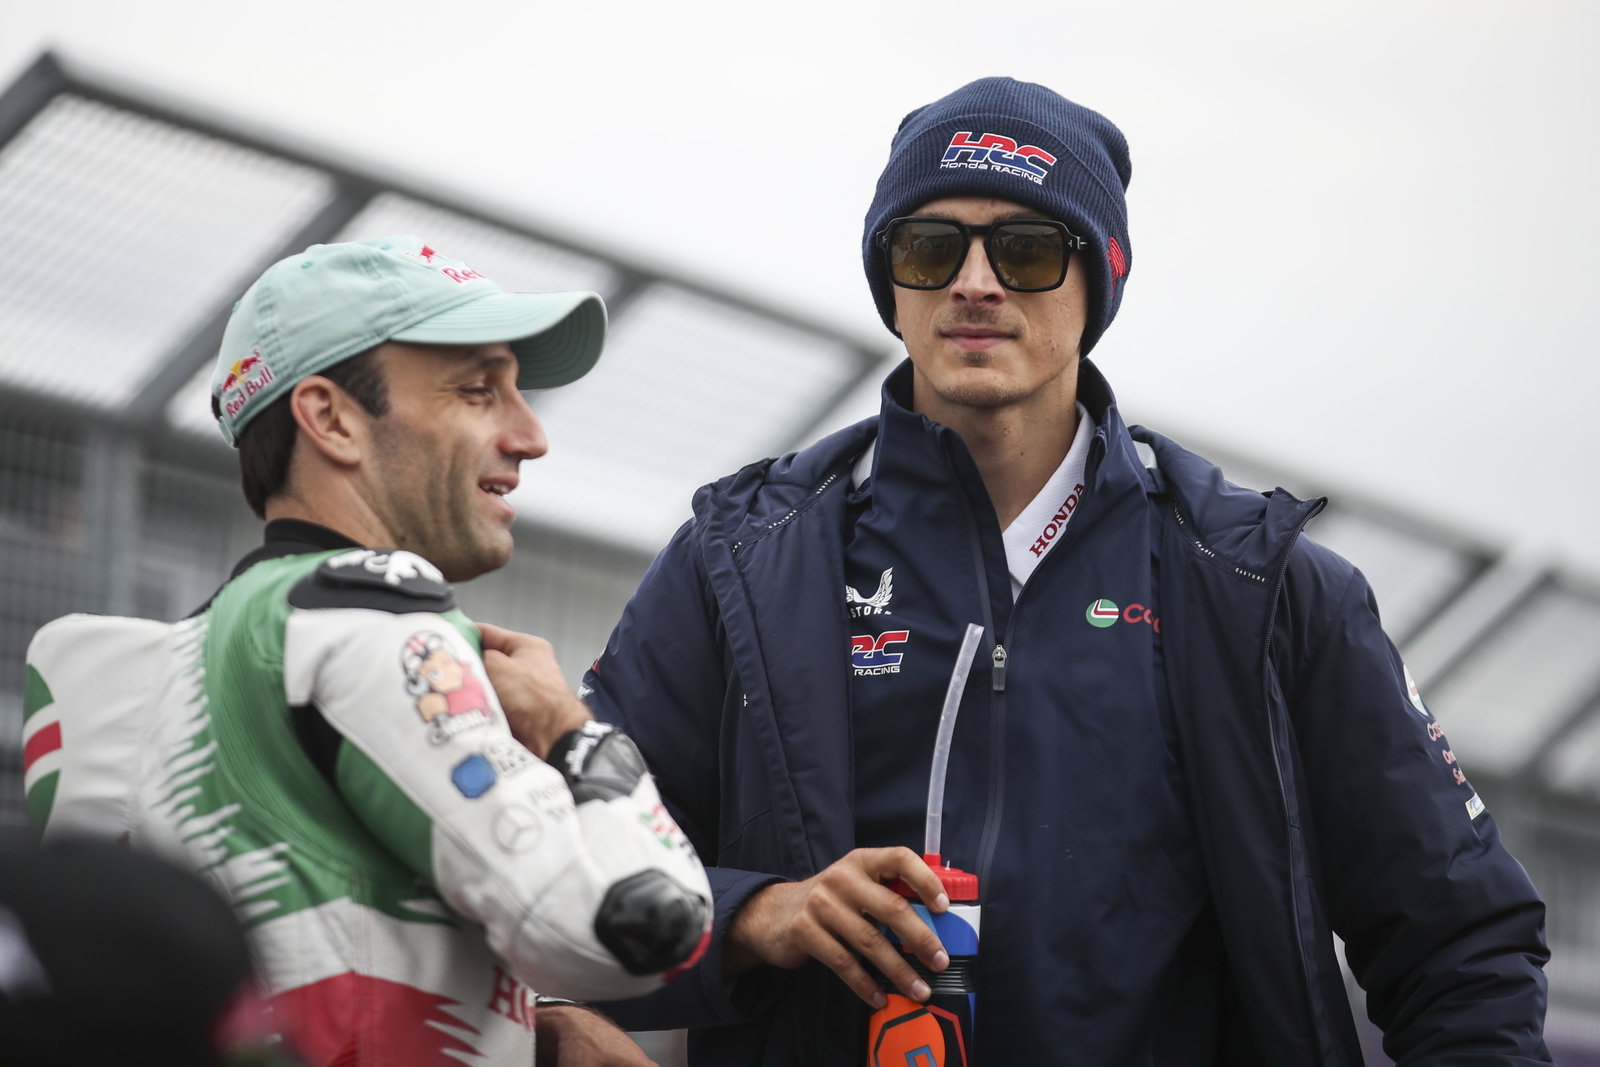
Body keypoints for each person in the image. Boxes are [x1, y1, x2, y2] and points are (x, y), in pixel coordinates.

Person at [582, 78, 1552, 1064]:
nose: (974, 282)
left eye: (1028, 249)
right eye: (929, 246)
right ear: (891, 282)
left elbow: (1460, 940)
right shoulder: (739, 562)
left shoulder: (1262, 588)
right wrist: (760, 911)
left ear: (1098, 282)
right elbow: (571, 869)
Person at [23, 236, 713, 1065]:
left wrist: (534, 1023)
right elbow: (632, 928)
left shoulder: (147, 663)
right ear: (331, 417)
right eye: (477, 390)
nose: (530, 435)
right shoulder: (370, 618)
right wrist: (577, 734)